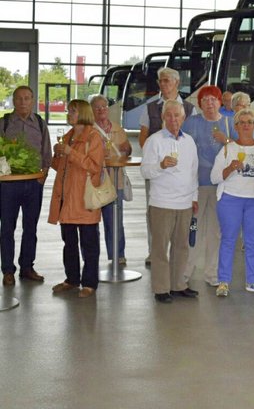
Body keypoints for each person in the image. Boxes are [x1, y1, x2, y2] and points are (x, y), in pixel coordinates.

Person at [141, 100, 199, 304]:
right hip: (161, 203)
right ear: (163, 117)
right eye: (169, 115)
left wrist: (194, 198)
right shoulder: (154, 141)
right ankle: (161, 288)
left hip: (184, 203)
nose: (173, 119)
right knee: (160, 248)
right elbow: (145, 171)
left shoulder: (189, 141)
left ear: (183, 118)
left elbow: (193, 172)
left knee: (181, 247)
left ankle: (178, 285)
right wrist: (161, 165)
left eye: (177, 116)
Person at [210, 109, 254, 297]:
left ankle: (253, 281)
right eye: (242, 122)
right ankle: (223, 281)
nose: (246, 125)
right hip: (231, 199)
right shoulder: (228, 149)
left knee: (252, 242)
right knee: (228, 240)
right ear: (236, 127)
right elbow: (214, 178)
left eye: (250, 122)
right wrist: (230, 168)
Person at [48, 100, 105, 298]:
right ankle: (71, 279)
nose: (68, 113)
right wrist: (57, 155)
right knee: (69, 242)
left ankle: (89, 283)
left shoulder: (94, 137)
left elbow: (94, 167)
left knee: (89, 244)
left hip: (84, 199)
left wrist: (71, 153)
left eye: (73, 111)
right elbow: (60, 168)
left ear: (83, 113)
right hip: (66, 199)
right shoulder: (68, 136)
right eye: (69, 110)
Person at [139, 67, 195, 266]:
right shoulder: (150, 107)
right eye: (161, 81)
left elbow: (192, 139)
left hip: (181, 177)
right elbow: (143, 136)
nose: (163, 84)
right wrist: (153, 159)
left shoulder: (189, 108)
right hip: (157, 172)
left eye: (167, 81)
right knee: (153, 213)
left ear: (176, 83)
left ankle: (178, 256)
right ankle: (154, 251)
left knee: (181, 220)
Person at [0, 85, 52, 286]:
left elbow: (47, 153)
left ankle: (27, 267)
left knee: (30, 227)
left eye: (27, 98)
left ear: (32, 100)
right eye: (19, 98)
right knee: (7, 228)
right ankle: (7, 270)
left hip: (33, 185)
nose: (23, 102)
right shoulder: (4, 123)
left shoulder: (39, 123)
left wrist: (43, 176)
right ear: (14, 101)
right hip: (8, 186)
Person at [181, 85, 230, 288]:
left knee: (216, 232)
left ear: (220, 102)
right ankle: (185, 272)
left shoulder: (229, 122)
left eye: (213, 99)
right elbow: (181, 147)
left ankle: (212, 274)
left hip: (221, 188)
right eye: (205, 100)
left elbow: (243, 146)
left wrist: (226, 140)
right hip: (196, 187)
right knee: (193, 229)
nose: (209, 103)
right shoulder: (191, 123)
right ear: (199, 104)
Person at [90, 95, 132, 265]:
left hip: (115, 181)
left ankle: (118, 254)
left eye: (104, 106)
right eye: (97, 107)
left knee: (115, 220)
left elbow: (127, 150)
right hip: (93, 183)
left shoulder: (117, 128)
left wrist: (126, 149)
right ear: (91, 110)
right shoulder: (89, 130)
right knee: (91, 222)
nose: (101, 110)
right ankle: (91, 257)